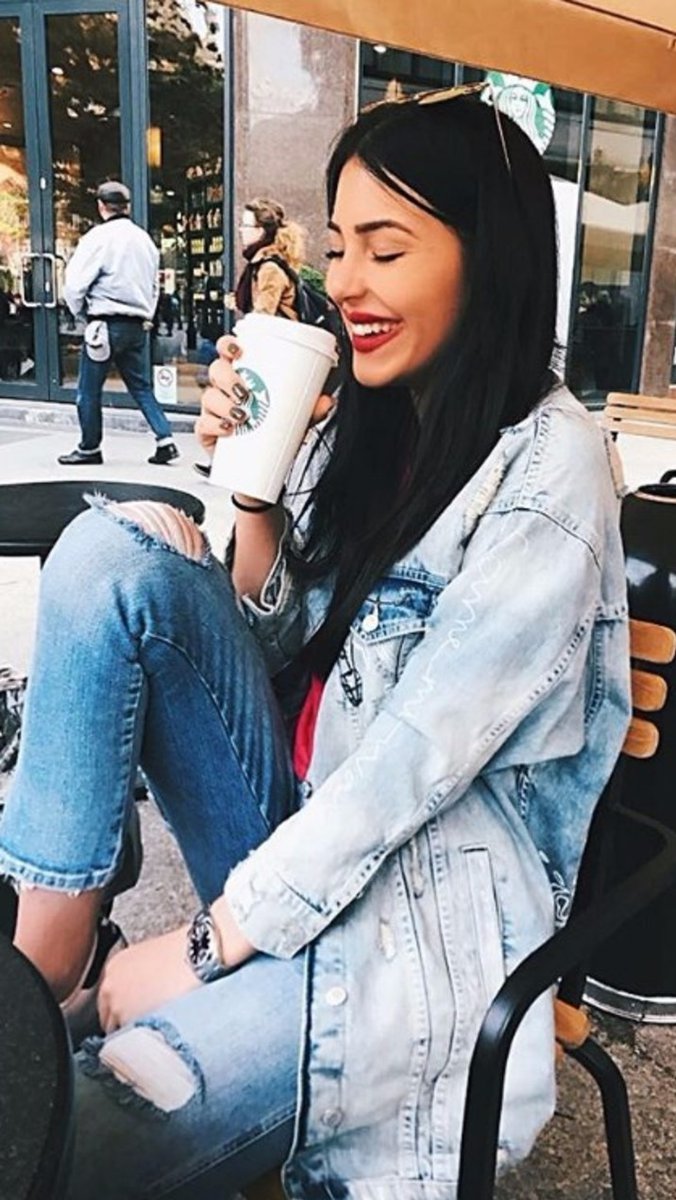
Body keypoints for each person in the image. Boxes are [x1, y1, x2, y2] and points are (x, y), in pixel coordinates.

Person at [0, 89, 630, 1199]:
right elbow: (273, 635)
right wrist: (252, 483)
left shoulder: (551, 475)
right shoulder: (377, 418)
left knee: (78, 1133)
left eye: (386, 248)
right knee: (108, 552)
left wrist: (202, 947)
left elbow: (403, 773)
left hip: (410, 925)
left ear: (489, 258)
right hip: (296, 831)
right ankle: (45, 959)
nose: (343, 282)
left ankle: (83, 1003)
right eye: (338, 247)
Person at [58, 180, 180, 467]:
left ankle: (89, 448)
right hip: (136, 325)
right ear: (127, 207)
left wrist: (81, 313)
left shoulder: (98, 238)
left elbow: (74, 285)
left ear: (102, 206)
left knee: (88, 390)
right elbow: (154, 286)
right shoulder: (145, 241)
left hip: (104, 324)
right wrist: (146, 315)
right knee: (141, 387)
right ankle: (165, 439)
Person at [193, 198, 305, 478]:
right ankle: (230, 461)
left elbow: (265, 315)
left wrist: (247, 338)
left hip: (276, 352)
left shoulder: (269, 267)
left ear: (262, 231)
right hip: (273, 349)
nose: (241, 231)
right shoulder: (260, 264)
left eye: (246, 226)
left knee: (256, 411)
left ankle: (246, 466)